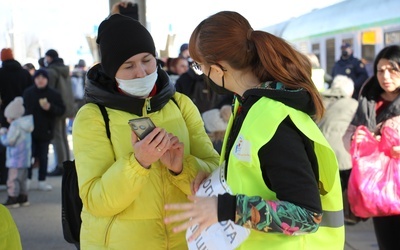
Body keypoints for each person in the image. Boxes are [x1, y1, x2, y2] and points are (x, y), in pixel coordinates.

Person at [164, 11, 344, 249]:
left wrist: (225, 208)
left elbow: (307, 216)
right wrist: (214, 183)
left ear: (218, 68)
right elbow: (254, 176)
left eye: (200, 67)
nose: (203, 74)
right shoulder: (247, 106)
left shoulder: (274, 121)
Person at [71, 3, 219, 249]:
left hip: (187, 241)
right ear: (111, 70)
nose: (141, 72)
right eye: (128, 66)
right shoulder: (93, 117)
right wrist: (138, 163)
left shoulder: (180, 104)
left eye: (147, 60)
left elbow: (214, 171)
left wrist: (182, 168)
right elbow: (95, 200)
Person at [343, 45, 400, 250]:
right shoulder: (369, 98)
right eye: (380, 70)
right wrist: (356, 139)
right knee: (387, 242)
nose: (385, 76)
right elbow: (349, 134)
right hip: (379, 189)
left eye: (392, 69)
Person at [317, 75, 358, 224]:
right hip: (342, 155)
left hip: (319, 152)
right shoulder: (352, 104)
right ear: (350, 91)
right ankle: (347, 215)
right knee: (344, 187)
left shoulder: (319, 99)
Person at [23, 69, 65, 191]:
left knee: (43, 156)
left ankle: (42, 180)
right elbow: (23, 109)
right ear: (34, 79)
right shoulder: (28, 92)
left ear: (47, 79)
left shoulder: (54, 94)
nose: (40, 80)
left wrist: (50, 107)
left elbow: (61, 110)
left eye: (43, 78)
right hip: (29, 130)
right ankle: (27, 179)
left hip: (46, 130)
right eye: (37, 78)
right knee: (28, 155)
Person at [0, 48, 33, 189]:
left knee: (6, 145)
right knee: (25, 147)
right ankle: (25, 180)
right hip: (23, 115)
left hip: (6, 115)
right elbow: (31, 92)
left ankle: (5, 179)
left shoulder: (1, 74)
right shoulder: (24, 73)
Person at [44, 49, 73, 176]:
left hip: (56, 107)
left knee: (57, 137)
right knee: (63, 136)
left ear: (49, 58)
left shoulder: (51, 71)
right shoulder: (64, 70)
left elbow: (49, 90)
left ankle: (60, 165)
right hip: (66, 106)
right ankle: (66, 163)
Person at [0, 97, 33, 207]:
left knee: (13, 180)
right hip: (25, 158)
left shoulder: (15, 125)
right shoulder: (25, 124)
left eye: (8, 117)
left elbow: (10, 141)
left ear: (12, 116)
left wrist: (2, 135)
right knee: (22, 179)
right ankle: (23, 198)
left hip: (15, 159)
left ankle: (12, 198)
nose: (7, 119)